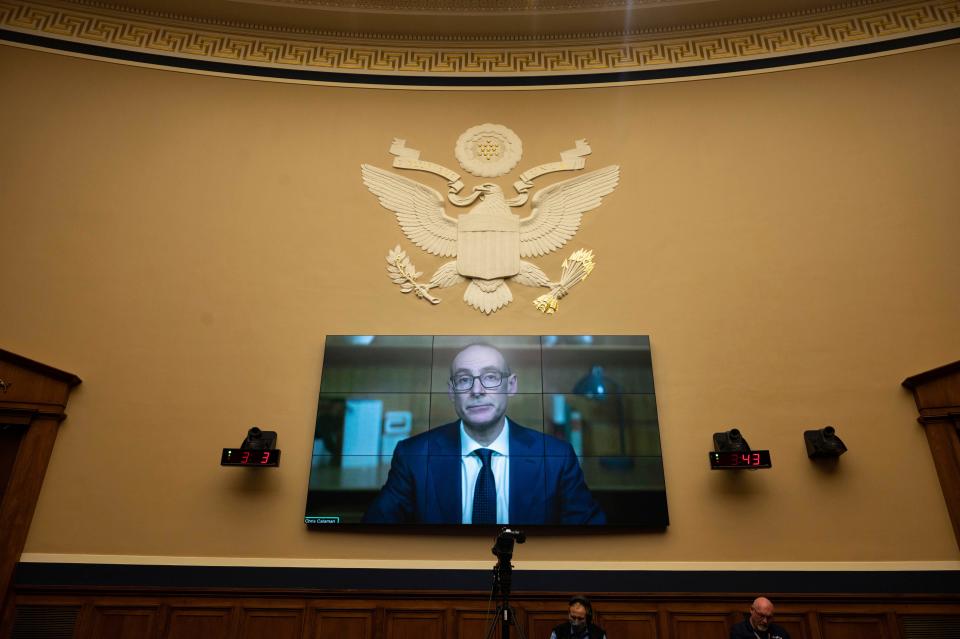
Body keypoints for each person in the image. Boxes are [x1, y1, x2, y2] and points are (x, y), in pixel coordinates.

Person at [362, 343, 605, 524]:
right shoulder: (413, 456)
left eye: (490, 377)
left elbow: (590, 541)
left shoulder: (556, 456)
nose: (477, 390)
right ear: (451, 391)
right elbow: (373, 535)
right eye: (464, 379)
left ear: (511, 386)